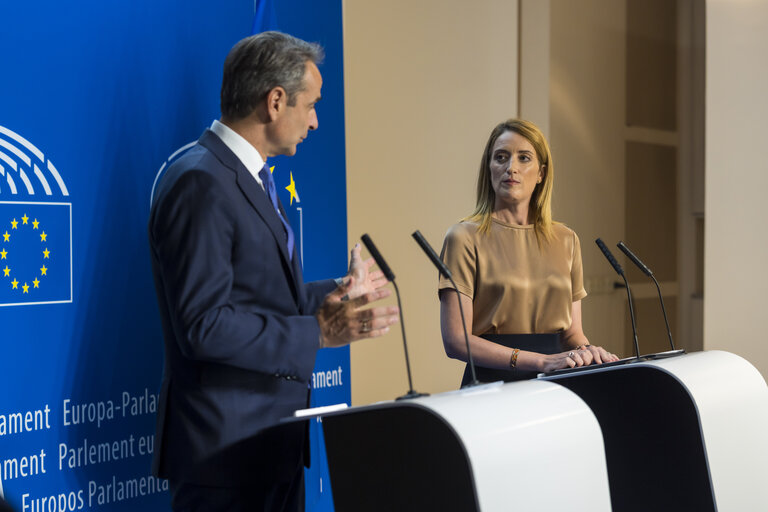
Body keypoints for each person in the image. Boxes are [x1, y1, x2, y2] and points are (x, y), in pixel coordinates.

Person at [148, 32, 399, 511]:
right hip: (225, 458)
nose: (316, 120)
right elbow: (204, 325)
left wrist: (337, 293)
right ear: (275, 101)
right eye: (311, 105)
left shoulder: (249, 176)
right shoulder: (201, 181)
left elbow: (253, 295)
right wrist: (317, 333)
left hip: (271, 445)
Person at [439, 119, 618, 384]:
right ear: (489, 168)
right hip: (492, 385)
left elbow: (572, 334)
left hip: (556, 382)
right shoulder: (464, 237)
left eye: (524, 158)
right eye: (501, 157)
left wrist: (587, 352)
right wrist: (540, 361)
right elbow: (456, 340)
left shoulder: (566, 239)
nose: (511, 168)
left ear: (542, 173)